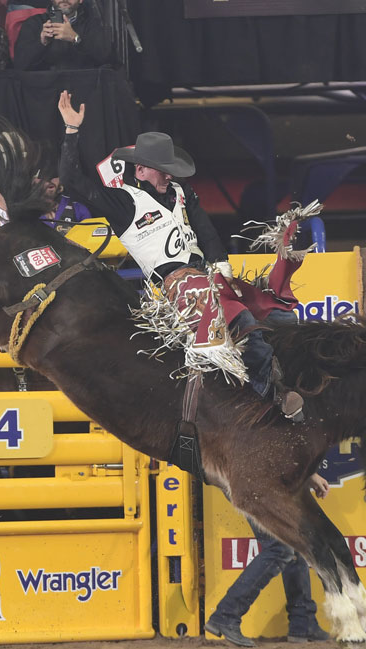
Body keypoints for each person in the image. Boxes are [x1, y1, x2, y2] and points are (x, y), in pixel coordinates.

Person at [57, 90, 307, 421]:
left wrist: (221, 265)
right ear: (142, 170)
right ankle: (264, 404)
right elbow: (72, 180)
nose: (169, 175)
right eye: (163, 170)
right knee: (244, 326)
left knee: (282, 319)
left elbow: (203, 227)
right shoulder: (122, 202)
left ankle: (291, 382)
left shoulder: (180, 192)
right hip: (176, 285)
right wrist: (72, 131)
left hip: (207, 275)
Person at [205, 474, 332, 647]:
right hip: (246, 475)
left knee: (293, 540)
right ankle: (226, 615)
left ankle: (302, 622)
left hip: (250, 474)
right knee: (280, 546)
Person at [13, 0, 109, 71]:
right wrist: (42, 43)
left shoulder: (92, 24)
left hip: (82, 88)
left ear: (81, 0)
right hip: (43, 91)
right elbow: (19, 65)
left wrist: (76, 39)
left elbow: (107, 60)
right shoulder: (33, 23)